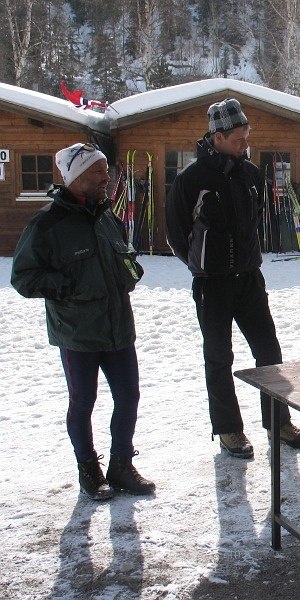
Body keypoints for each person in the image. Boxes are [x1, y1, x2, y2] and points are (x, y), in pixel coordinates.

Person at [165, 98, 300, 458]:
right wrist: (201, 264)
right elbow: (176, 234)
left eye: (247, 136)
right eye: (238, 138)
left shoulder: (250, 174)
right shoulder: (191, 180)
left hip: (249, 279)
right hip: (211, 284)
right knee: (219, 357)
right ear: (218, 138)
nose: (245, 144)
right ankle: (229, 429)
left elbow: (255, 218)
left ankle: (277, 421)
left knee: (269, 352)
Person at [11, 142, 155, 500]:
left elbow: (124, 258)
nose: (106, 177)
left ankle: (121, 465)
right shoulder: (47, 224)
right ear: (75, 177)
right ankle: (88, 468)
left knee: (129, 397)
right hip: (77, 332)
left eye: (106, 170)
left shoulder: (108, 217)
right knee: (83, 401)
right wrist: (69, 286)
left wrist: (130, 271)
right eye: (98, 171)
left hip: (118, 327)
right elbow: (23, 278)